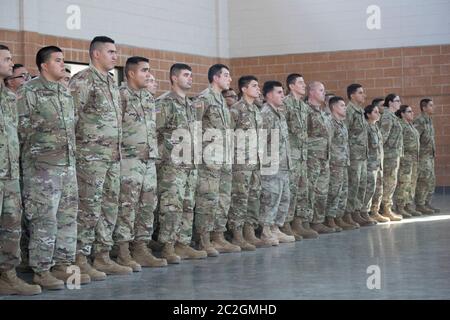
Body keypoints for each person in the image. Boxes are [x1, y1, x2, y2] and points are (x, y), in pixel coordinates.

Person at [17, 46, 86, 289]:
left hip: (67, 167)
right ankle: (41, 269)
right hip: (41, 169)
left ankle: (62, 264)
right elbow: (21, 131)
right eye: (58, 60)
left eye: (63, 60)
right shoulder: (29, 92)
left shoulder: (65, 94)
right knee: (44, 220)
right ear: (44, 65)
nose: (62, 64)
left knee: (67, 218)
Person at [70, 36, 132, 279]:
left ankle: (102, 256)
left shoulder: (110, 82)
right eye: (110, 52)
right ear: (96, 54)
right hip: (90, 159)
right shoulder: (83, 80)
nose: (115, 56)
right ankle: (79, 258)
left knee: (109, 206)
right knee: (88, 208)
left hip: (111, 158)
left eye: (116, 52)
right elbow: (71, 118)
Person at [112, 56, 168, 271]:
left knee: (147, 205)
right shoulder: (120, 95)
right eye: (144, 70)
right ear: (131, 73)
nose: (148, 74)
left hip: (148, 160)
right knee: (127, 206)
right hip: (129, 159)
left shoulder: (147, 97)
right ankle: (123, 250)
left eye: (149, 70)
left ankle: (141, 247)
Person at [0, 44, 41, 296]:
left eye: (10, 58)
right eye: (5, 58)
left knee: (11, 228)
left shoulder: (8, 98)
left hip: (10, 174)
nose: (10, 62)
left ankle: (7, 275)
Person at [156, 63, 207, 262]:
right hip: (172, 165)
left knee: (188, 205)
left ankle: (183, 243)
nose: (190, 78)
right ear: (174, 78)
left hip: (190, 164)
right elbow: (155, 133)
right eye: (186, 75)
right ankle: (168, 246)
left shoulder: (191, 105)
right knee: (171, 206)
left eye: (191, 75)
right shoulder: (165, 103)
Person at [194, 64, 241, 254]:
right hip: (210, 159)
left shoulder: (221, 101)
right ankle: (203, 239)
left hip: (224, 157)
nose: (230, 79)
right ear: (215, 77)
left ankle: (218, 236)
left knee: (223, 198)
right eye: (226, 75)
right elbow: (194, 126)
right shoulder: (204, 98)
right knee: (208, 198)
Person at [228, 76, 265, 249]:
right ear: (243, 89)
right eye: (254, 86)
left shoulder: (257, 110)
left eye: (258, 86)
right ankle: (237, 233)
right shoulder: (236, 110)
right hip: (241, 163)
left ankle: (249, 230)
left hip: (255, 162)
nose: (258, 89)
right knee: (240, 198)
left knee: (254, 197)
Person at [259, 81, 295, 244]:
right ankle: (266, 230)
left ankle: (275, 228)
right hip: (271, 164)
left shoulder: (278, 113)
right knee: (271, 197)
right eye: (279, 92)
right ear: (268, 95)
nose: (282, 96)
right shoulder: (265, 114)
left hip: (283, 163)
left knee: (284, 197)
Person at [283, 73, 318, 239]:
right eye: (300, 82)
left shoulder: (304, 107)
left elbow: (308, 131)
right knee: (290, 191)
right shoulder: (285, 104)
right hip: (291, 156)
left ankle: (299, 223)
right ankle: (286, 224)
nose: (304, 85)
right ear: (291, 86)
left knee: (302, 190)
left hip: (303, 156)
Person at [306, 81, 335, 233]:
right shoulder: (305, 111)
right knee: (310, 190)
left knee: (322, 191)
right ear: (311, 92)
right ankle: (305, 222)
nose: (324, 93)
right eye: (321, 90)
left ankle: (318, 220)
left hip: (325, 157)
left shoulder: (323, 113)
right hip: (312, 158)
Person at [326, 96, 356, 231]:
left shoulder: (342, 123)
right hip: (334, 163)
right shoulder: (330, 123)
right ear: (333, 107)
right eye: (342, 106)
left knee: (343, 191)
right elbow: (328, 143)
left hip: (343, 162)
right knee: (334, 191)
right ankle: (330, 218)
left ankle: (339, 216)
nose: (345, 108)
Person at [362, 104, 389, 223]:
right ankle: (365, 212)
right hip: (370, 164)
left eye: (379, 112)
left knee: (378, 189)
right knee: (369, 189)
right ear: (368, 114)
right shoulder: (366, 127)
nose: (378, 114)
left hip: (378, 164)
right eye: (375, 112)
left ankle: (375, 212)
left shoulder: (375, 127)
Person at [379, 94, 403, 221]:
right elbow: (382, 137)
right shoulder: (387, 117)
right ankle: (386, 209)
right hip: (389, 155)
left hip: (393, 154)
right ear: (390, 103)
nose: (399, 103)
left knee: (391, 182)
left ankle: (387, 207)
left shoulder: (392, 116)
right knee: (389, 182)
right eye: (397, 101)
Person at [394, 105, 421, 217]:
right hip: (405, 159)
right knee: (403, 183)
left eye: (412, 111)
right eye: (409, 111)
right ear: (402, 114)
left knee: (412, 183)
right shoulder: (401, 126)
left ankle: (408, 205)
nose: (412, 113)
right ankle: (400, 207)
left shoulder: (411, 125)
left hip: (414, 159)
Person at [414, 98, 439, 214]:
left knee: (431, 180)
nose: (433, 107)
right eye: (430, 105)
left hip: (430, 156)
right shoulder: (420, 121)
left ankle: (426, 203)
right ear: (424, 108)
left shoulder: (429, 120)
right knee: (423, 180)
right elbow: (415, 138)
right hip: (423, 157)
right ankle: (420, 204)